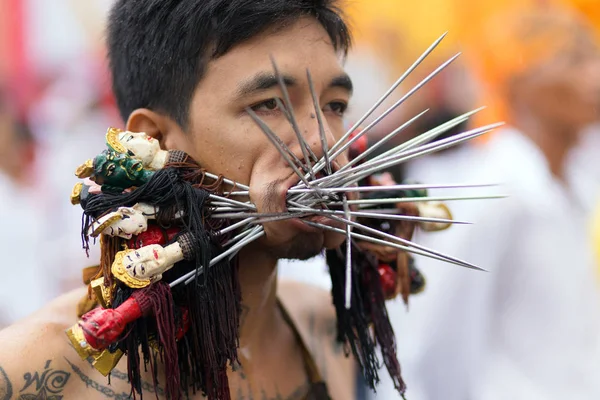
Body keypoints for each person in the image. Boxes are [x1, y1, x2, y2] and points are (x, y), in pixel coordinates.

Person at [0, 1, 405, 399]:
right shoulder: (29, 373)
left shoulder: (335, 333)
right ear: (155, 141)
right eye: (268, 104)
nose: (325, 145)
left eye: (335, 105)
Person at [372, 5, 600, 400]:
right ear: (518, 81)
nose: (595, 75)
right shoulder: (492, 190)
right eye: (573, 58)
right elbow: (426, 344)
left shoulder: (573, 188)